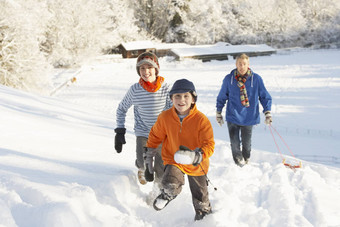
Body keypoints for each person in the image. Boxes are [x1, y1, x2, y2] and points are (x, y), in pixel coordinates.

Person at [144, 79, 215, 221]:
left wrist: (197, 155)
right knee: (170, 182)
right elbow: (155, 136)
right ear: (171, 98)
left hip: (196, 163)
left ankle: (204, 216)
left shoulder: (201, 120)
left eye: (186, 96)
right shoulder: (165, 117)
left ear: (193, 99)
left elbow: (209, 144)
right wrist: (148, 159)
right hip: (173, 159)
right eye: (177, 96)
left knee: (200, 196)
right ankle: (168, 194)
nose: (181, 100)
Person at [114, 52, 172, 185]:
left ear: (156, 69)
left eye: (149, 68)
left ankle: (157, 192)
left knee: (160, 169)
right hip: (143, 132)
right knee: (142, 161)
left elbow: (173, 112)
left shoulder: (166, 89)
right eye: (142, 68)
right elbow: (122, 108)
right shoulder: (135, 90)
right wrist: (120, 131)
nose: (146, 72)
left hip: (162, 135)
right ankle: (141, 168)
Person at [216, 53, 272, 167]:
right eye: (239, 64)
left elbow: (264, 96)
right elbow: (222, 96)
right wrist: (218, 112)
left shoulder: (256, 79)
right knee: (235, 143)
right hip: (233, 116)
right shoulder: (229, 79)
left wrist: (267, 113)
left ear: (248, 64)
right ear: (236, 64)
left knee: (247, 144)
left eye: (244, 64)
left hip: (249, 117)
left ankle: (246, 160)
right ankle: (238, 163)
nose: (242, 67)